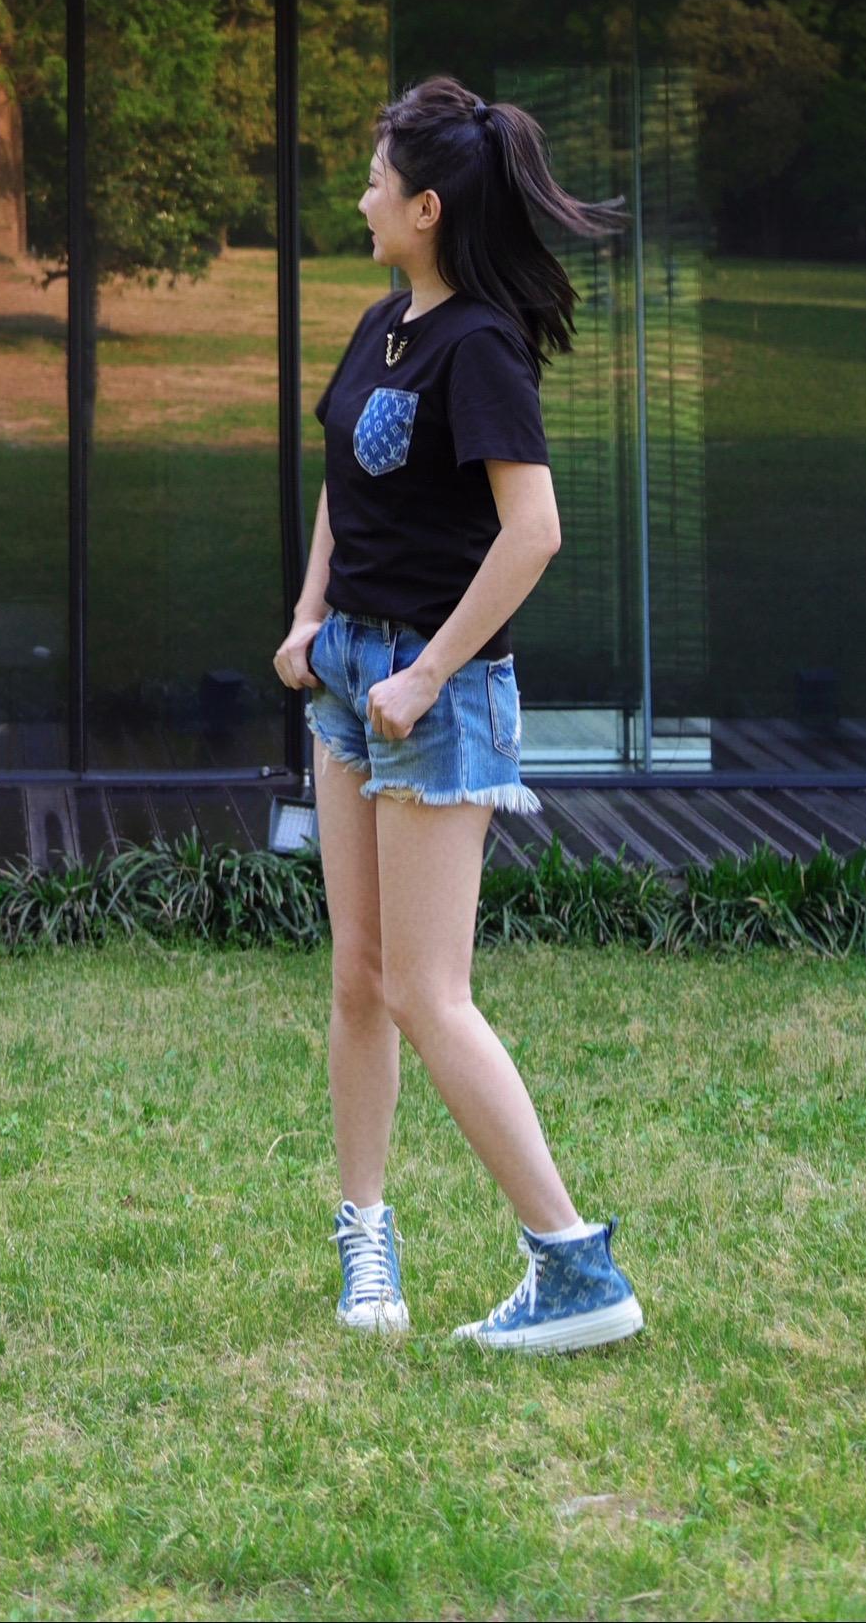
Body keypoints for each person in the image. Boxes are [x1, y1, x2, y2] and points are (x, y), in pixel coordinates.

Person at [273, 75, 644, 1355]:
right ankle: (365, 1236)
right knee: (360, 977)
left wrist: (426, 673)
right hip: (350, 679)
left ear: (427, 207)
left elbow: (533, 530)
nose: (361, 195)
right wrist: (309, 616)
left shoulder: (478, 343)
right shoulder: (383, 324)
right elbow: (344, 485)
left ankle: (573, 1263)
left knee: (430, 991)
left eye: (379, 179)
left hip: (434, 691)